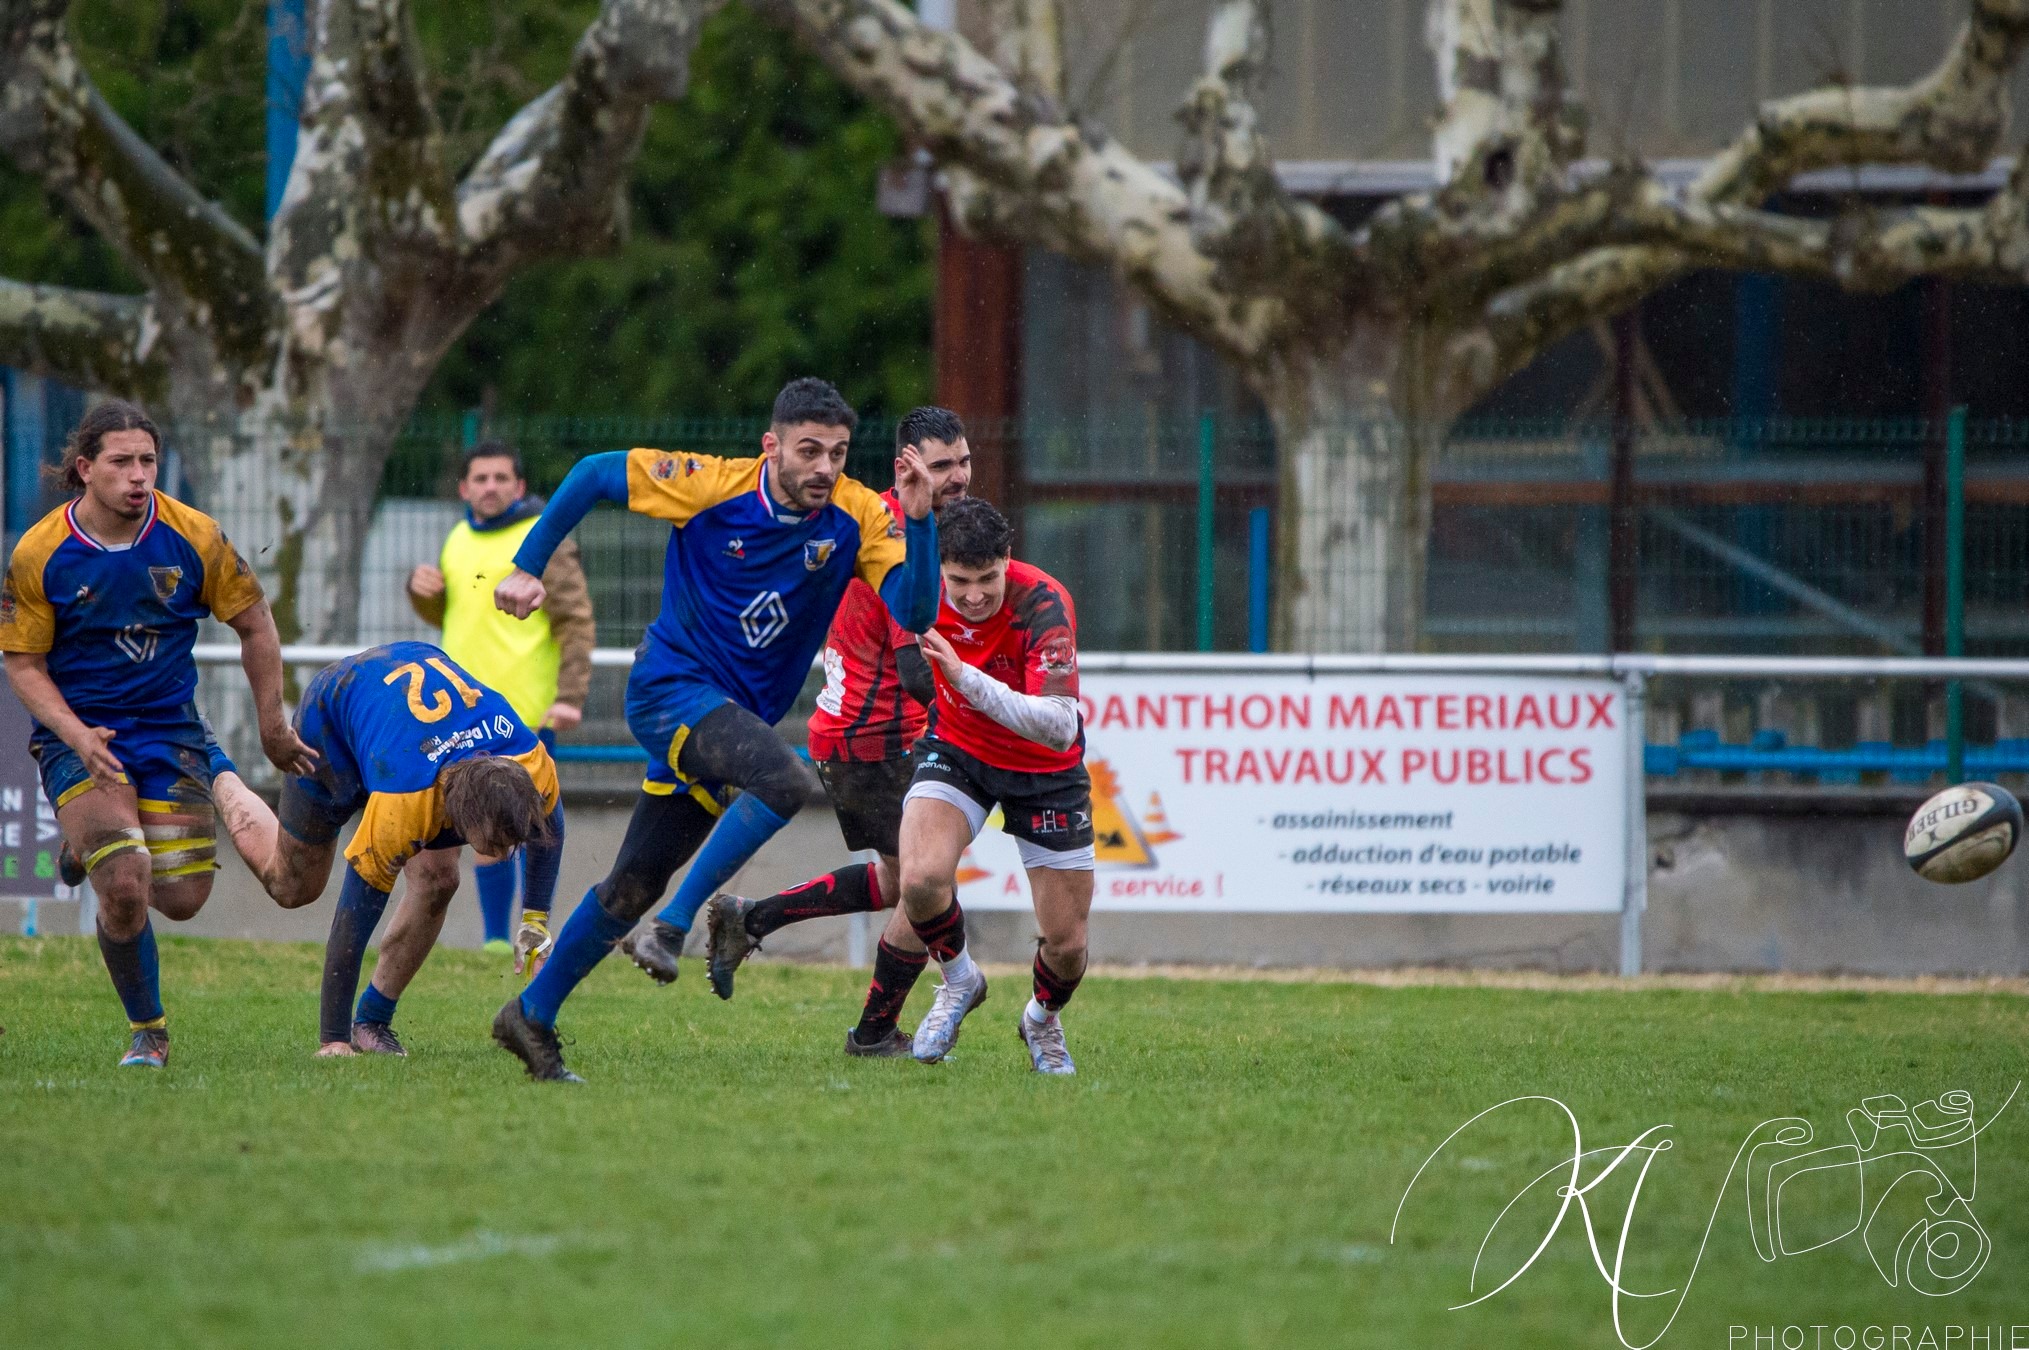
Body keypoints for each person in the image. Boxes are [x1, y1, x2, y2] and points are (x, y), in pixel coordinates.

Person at [486, 377, 938, 1082]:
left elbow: (914, 611)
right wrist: (526, 565)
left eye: (838, 453)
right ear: (771, 447)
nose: (824, 467)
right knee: (783, 782)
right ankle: (676, 926)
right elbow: (594, 473)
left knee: (631, 885)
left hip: (727, 727)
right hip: (668, 693)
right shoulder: (709, 485)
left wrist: (922, 520)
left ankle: (529, 1015)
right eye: (809, 450)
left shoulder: (858, 515)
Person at [0, 400, 317, 1069]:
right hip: (82, 738)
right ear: (85, 468)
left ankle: (85, 842)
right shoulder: (40, 552)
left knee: (181, 901)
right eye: (121, 462)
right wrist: (75, 734)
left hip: (171, 731)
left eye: (148, 460)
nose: (139, 475)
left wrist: (272, 727)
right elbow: (23, 663)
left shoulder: (194, 535)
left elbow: (255, 622)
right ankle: (149, 1032)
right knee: (124, 884)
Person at [697, 408, 975, 1060]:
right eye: (942, 466)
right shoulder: (896, 536)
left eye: (964, 461)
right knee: (925, 889)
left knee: (904, 883)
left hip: (869, 733)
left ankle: (752, 918)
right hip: (873, 737)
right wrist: (985, 714)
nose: (959, 476)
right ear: (905, 468)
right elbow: (916, 668)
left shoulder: (889, 520)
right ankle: (874, 1031)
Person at [212, 641, 563, 1057]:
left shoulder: (531, 765)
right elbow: (354, 917)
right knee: (292, 886)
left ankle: (373, 1021)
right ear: (461, 816)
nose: (504, 854)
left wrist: (535, 920)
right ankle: (214, 765)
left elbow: (550, 828)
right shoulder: (407, 803)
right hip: (335, 718)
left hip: (408, 730)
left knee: (438, 879)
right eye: (497, 842)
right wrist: (332, 1039)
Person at [890, 497, 1092, 1074]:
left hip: (1044, 771)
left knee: (1067, 945)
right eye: (959, 581)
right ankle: (959, 981)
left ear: (1008, 559)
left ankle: (1041, 1020)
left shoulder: (1043, 602)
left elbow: (1059, 726)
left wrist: (964, 677)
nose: (974, 596)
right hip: (959, 749)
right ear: (941, 570)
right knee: (920, 880)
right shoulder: (919, 592)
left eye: (987, 579)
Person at [407, 439, 593, 973]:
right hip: (457, 715)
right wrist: (421, 593)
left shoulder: (542, 539)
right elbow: (452, 614)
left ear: (520, 486)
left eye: (501, 478)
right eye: (480, 479)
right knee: (477, 821)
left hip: (522, 713)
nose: (490, 487)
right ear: (464, 488)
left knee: (525, 822)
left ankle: (528, 927)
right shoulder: (457, 537)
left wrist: (569, 697)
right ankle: (494, 940)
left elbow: (575, 620)